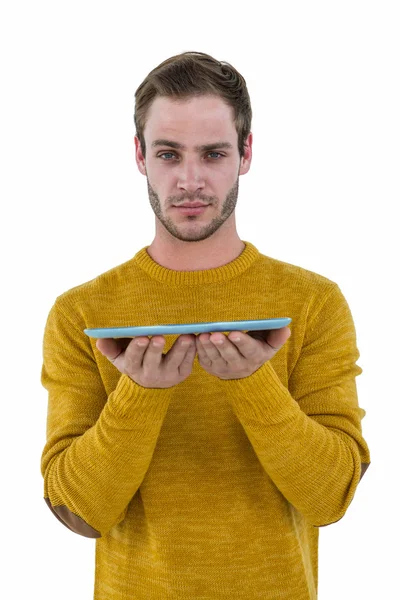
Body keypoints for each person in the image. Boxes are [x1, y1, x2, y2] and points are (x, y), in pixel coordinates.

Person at [40, 51, 370, 600]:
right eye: (169, 154)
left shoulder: (314, 303)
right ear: (141, 156)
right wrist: (139, 394)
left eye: (212, 153)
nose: (189, 180)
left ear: (244, 154)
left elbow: (330, 498)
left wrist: (253, 385)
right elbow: (78, 512)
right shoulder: (81, 314)